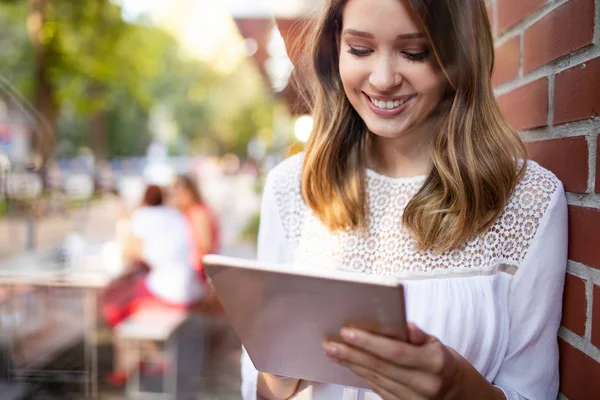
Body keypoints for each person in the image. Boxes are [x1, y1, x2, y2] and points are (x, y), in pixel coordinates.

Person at [242, 0, 568, 399]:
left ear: (461, 54)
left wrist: (460, 390)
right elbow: (257, 388)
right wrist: (276, 377)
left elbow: (534, 390)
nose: (381, 79)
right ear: (335, 47)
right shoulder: (292, 188)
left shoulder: (527, 199)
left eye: (415, 52)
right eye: (360, 49)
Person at [102, 184, 204, 384]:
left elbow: (129, 252)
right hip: (189, 287)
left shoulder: (143, 216)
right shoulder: (176, 215)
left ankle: (144, 358)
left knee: (113, 304)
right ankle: (139, 355)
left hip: (168, 293)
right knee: (128, 297)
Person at [171, 175, 221, 280]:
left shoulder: (197, 212)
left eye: (181, 194)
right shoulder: (191, 211)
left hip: (200, 270)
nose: (178, 198)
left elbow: (205, 246)